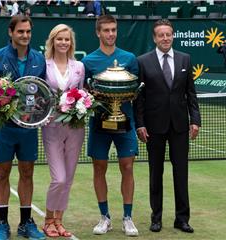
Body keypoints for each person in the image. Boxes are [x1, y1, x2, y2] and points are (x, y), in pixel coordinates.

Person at [0, 15, 46, 240]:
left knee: (27, 173)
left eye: (28, 32)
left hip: (29, 128)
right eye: (21, 32)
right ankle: (2, 224)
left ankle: (26, 223)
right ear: (11, 32)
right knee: (2, 173)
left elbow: (42, 93)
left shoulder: (39, 58)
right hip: (4, 128)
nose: (25, 36)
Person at [133, 19, 201, 234]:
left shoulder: (185, 59)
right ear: (154, 38)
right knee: (156, 173)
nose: (165, 38)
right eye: (161, 35)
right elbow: (139, 98)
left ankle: (182, 219)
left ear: (173, 36)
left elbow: (191, 93)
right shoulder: (142, 61)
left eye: (168, 34)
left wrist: (195, 120)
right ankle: (156, 218)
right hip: (154, 127)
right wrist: (140, 124)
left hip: (180, 126)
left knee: (181, 174)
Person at [81, 15, 139, 237]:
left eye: (113, 30)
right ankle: (104, 217)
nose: (110, 34)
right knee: (99, 168)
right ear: (98, 32)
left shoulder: (130, 59)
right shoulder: (88, 62)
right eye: (106, 30)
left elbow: (136, 92)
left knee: (127, 166)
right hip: (99, 124)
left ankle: (127, 217)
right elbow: (84, 94)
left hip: (126, 122)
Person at [41, 24, 85, 238]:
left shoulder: (79, 67)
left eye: (67, 39)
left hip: (75, 128)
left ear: (71, 43)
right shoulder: (44, 65)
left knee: (68, 178)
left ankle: (59, 221)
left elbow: (82, 94)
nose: (63, 43)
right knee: (58, 178)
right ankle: (48, 219)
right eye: (59, 39)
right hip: (51, 127)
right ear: (52, 41)